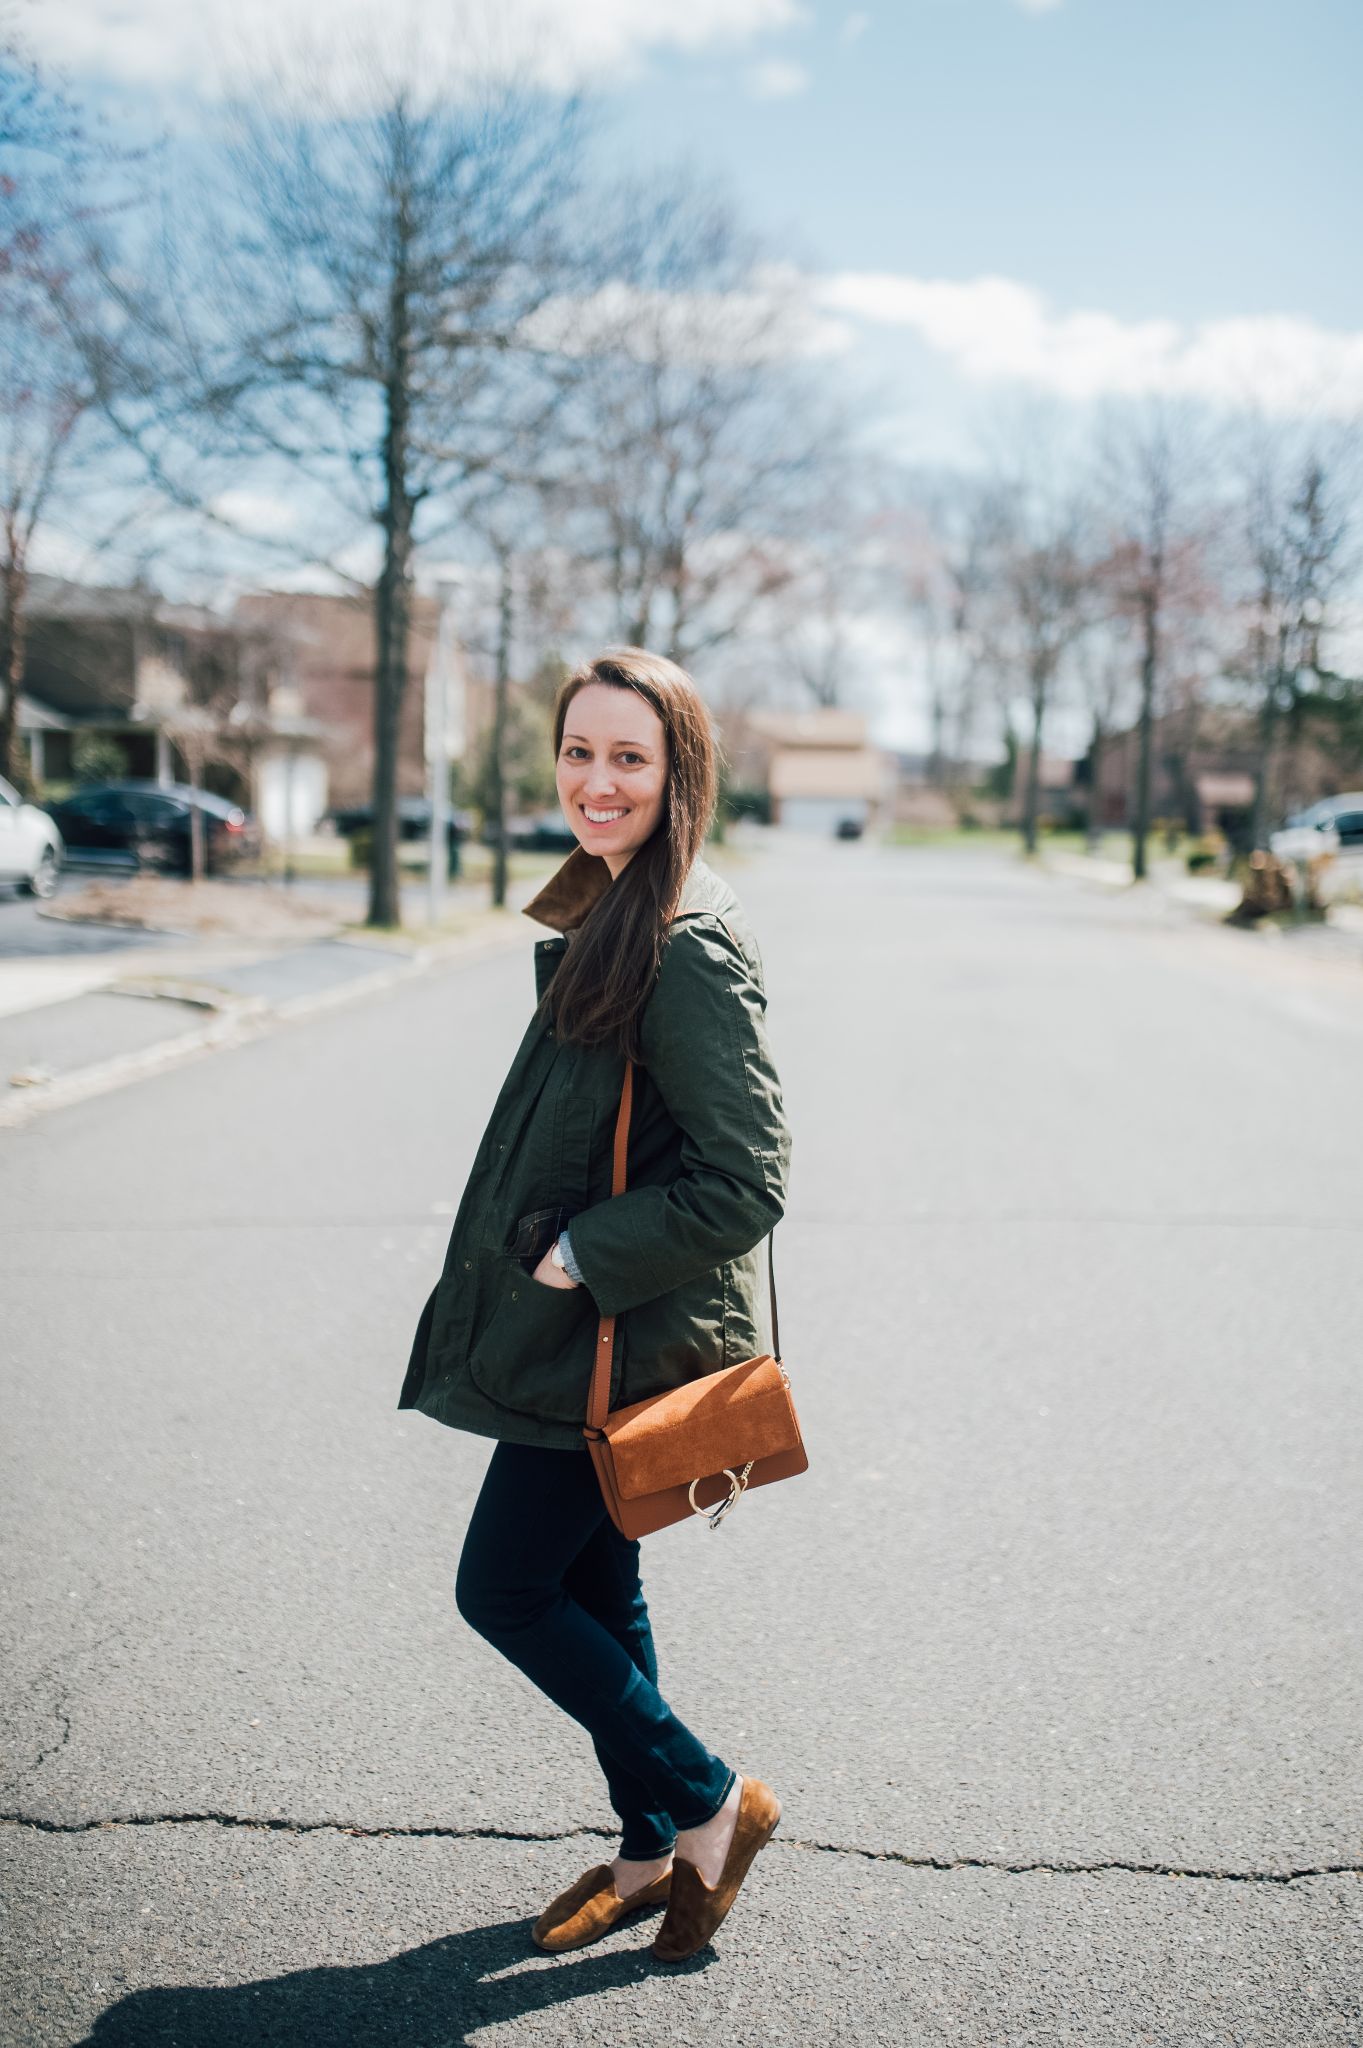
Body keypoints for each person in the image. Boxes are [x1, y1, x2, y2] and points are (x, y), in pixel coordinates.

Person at [397, 646, 792, 1963]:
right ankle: (643, 1854)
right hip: (584, 1332)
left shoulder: (683, 942)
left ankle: (707, 1803)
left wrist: (586, 1253)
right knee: (595, 1579)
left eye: (630, 757)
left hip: (617, 1332)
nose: (598, 780)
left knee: (503, 1588)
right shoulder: (608, 903)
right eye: (580, 752)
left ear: (678, 772)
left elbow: (749, 1180)